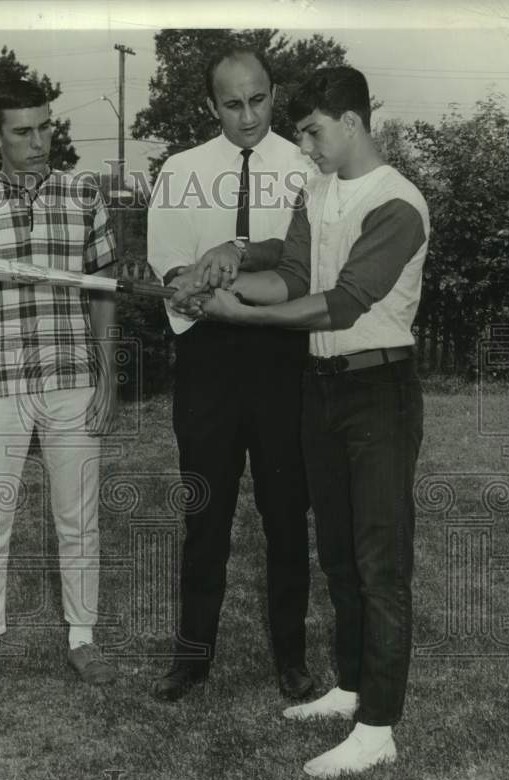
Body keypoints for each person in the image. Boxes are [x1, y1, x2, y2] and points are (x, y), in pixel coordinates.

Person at [175, 65, 428, 777]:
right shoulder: (316, 191)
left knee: (381, 564)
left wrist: (241, 313)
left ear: (350, 122)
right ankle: (349, 687)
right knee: (339, 555)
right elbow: (289, 274)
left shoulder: (399, 203)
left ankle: (378, 727)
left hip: (379, 389)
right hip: (320, 390)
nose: (305, 143)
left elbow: (339, 303)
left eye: (313, 130)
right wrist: (218, 281)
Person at [147, 46, 315, 703]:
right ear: (210, 106)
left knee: (284, 514)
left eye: (259, 99)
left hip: (281, 358)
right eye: (232, 103)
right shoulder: (180, 171)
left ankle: (292, 660)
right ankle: (191, 658)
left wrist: (243, 274)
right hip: (209, 360)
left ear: (275, 93)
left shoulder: (306, 168)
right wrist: (189, 288)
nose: (248, 116)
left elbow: (310, 266)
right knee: (205, 512)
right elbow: (169, 266)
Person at [0, 79, 120, 698]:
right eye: (23, 131)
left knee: (78, 519)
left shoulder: (83, 195)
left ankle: (82, 637)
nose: (39, 140)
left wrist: (107, 374)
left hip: (72, 382)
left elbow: (103, 292)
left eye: (46, 126)